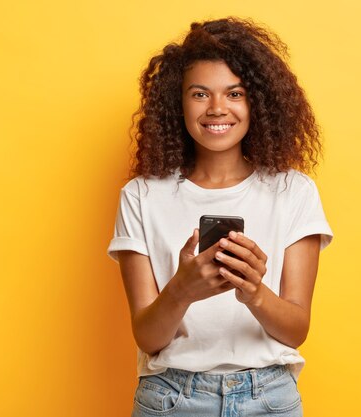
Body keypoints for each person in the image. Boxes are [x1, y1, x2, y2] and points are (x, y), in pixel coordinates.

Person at [107, 17, 333, 417]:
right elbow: (148, 338)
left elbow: (296, 330)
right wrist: (182, 289)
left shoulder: (293, 192)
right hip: (171, 399)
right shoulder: (141, 196)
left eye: (235, 93)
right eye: (199, 93)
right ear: (177, 103)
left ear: (257, 102)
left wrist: (254, 293)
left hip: (268, 398)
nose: (217, 108)